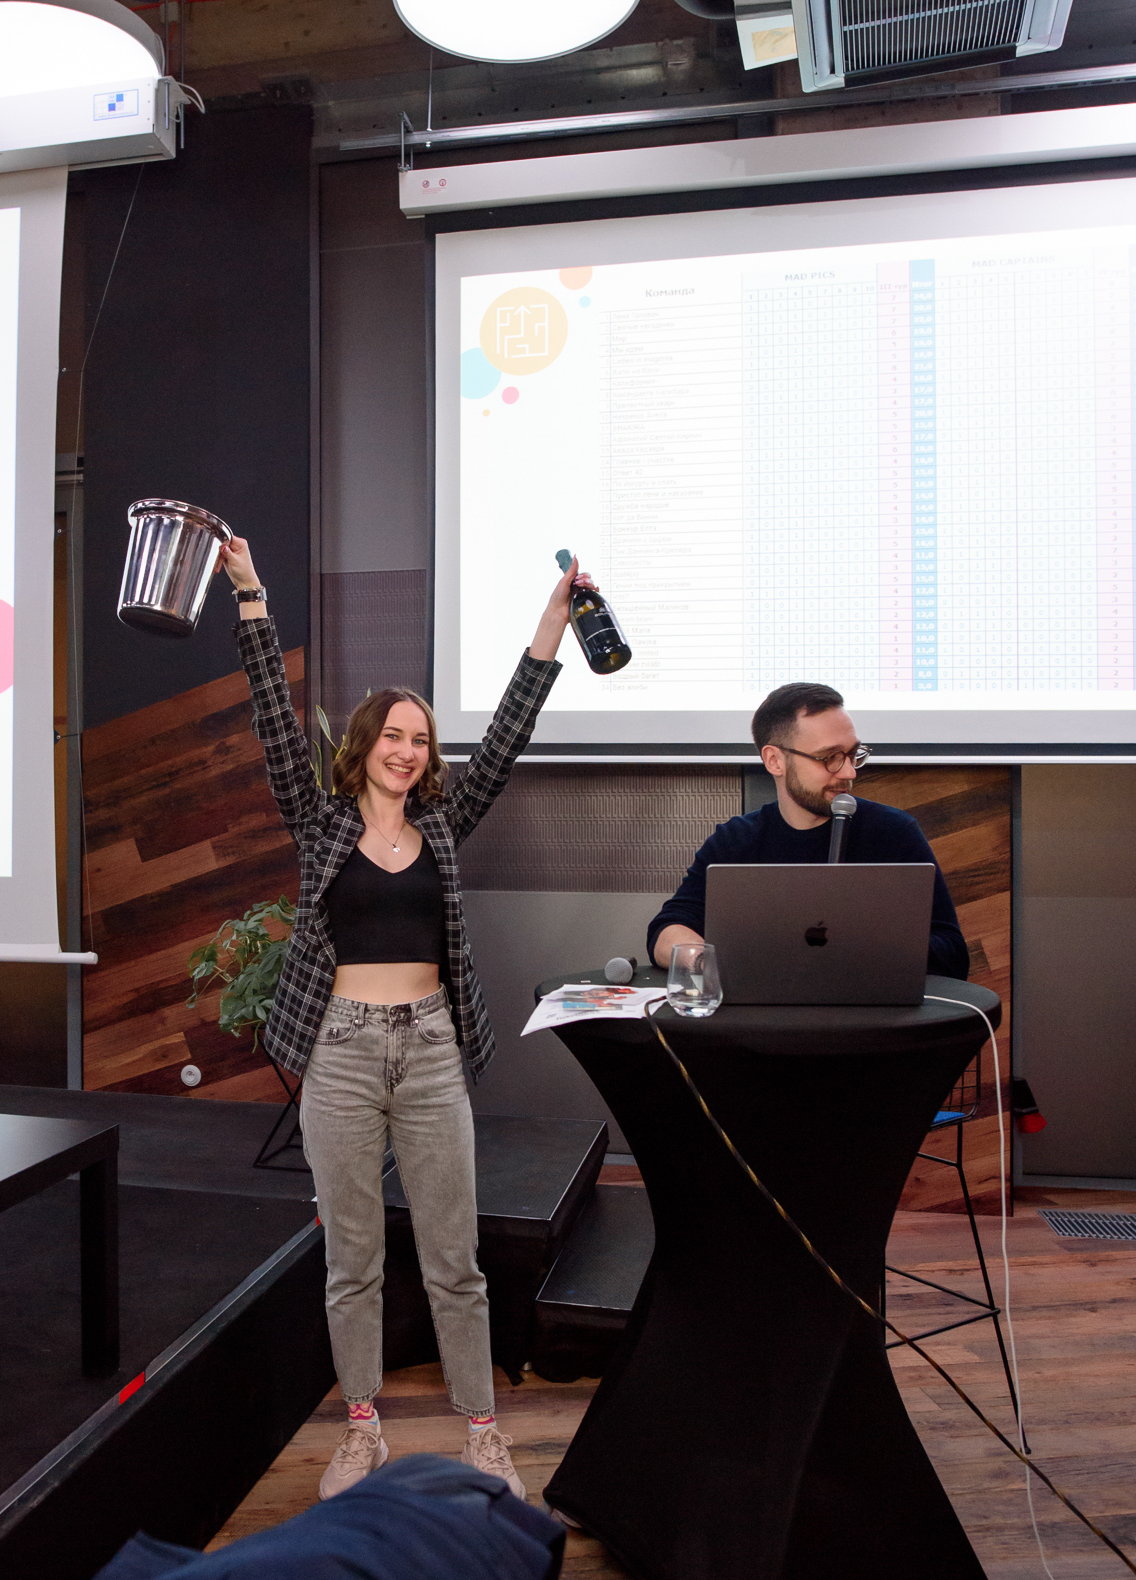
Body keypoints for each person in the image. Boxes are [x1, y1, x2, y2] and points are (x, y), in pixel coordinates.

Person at [220, 537, 584, 1506]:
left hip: (428, 1049)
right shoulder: (321, 822)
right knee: (353, 1260)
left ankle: (482, 1435)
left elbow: (506, 734)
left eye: (420, 739)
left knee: (453, 1262)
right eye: (393, 734)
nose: (407, 749)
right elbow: (271, 719)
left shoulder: (443, 827)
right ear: (365, 744)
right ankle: (362, 1429)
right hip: (340, 1050)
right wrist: (251, 594)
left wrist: (551, 624)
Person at [649, 680, 969, 978]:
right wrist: (710, 964)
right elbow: (666, 930)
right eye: (829, 757)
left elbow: (952, 953)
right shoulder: (735, 841)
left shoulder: (893, 832)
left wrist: (863, 948)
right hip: (763, 1011)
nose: (848, 772)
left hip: (868, 1011)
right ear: (775, 761)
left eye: (852, 754)